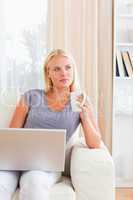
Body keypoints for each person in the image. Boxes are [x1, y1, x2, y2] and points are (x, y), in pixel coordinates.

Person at [0, 49, 101, 200]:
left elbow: (95, 143)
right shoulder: (31, 96)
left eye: (68, 67)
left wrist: (85, 117)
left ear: (74, 70)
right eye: (57, 69)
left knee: (34, 183)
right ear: (48, 73)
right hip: (16, 163)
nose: (64, 73)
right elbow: (12, 134)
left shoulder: (80, 101)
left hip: (45, 167)